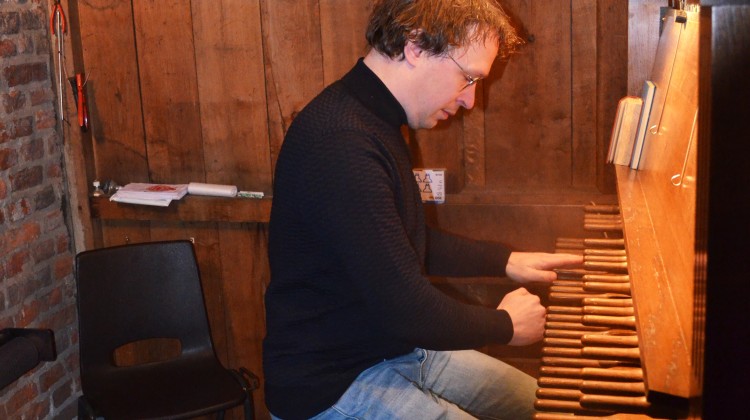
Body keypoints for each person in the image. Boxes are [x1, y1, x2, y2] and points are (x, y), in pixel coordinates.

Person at [263, 0, 583, 418]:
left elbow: (398, 242)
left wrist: (505, 260)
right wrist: (505, 326)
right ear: (415, 47)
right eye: (469, 78)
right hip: (330, 384)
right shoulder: (342, 143)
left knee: (538, 404)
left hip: (392, 348)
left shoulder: (374, 120)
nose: (471, 100)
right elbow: (408, 310)